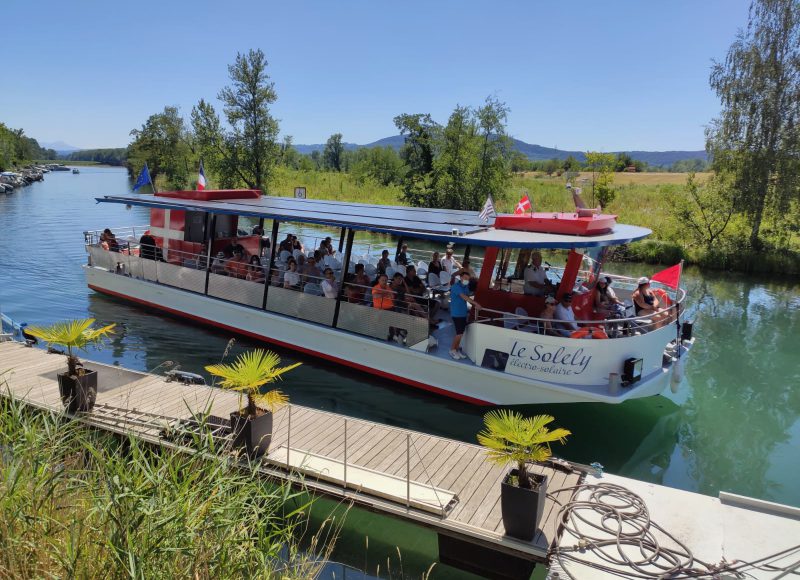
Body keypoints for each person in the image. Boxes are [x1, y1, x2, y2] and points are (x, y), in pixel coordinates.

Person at [449, 271, 481, 359]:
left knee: (461, 332)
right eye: (465, 278)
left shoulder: (466, 286)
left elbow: (468, 294)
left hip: (463, 312)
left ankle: (456, 349)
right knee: (459, 333)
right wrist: (475, 304)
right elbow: (464, 297)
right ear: (460, 277)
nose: (466, 280)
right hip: (456, 313)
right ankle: (452, 350)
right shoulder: (456, 287)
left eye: (468, 279)